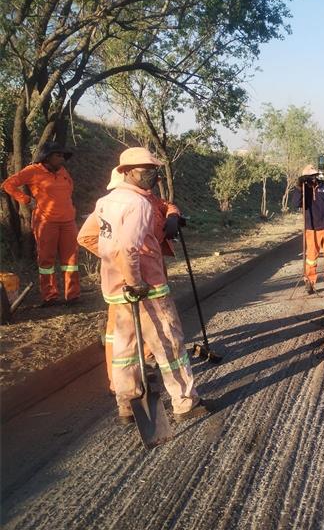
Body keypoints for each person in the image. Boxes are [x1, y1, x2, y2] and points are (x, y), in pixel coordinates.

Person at [89, 147, 206, 424]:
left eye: (154, 170)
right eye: (145, 170)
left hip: (116, 289)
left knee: (125, 349)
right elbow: (128, 246)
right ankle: (185, 402)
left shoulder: (105, 202)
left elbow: (96, 239)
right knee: (169, 343)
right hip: (146, 286)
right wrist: (135, 282)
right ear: (127, 172)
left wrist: (118, 269)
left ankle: (127, 405)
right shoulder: (139, 204)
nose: (151, 175)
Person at [78, 168, 182, 394]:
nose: (152, 181)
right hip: (132, 280)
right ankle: (122, 385)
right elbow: (89, 238)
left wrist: (173, 216)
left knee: (142, 330)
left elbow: (166, 205)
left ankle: (142, 369)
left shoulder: (148, 199)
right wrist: (119, 260)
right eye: (146, 173)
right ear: (127, 176)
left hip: (150, 272)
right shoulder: (124, 203)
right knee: (125, 333)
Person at [2, 142, 80, 306]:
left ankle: (72, 296)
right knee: (46, 261)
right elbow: (8, 184)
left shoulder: (63, 171)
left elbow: (69, 190)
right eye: (58, 155)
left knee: (71, 261)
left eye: (63, 156)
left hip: (68, 222)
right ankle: (50, 296)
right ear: (47, 157)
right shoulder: (33, 171)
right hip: (46, 222)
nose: (62, 159)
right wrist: (26, 200)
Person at [290, 164, 324, 295]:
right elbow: (295, 204)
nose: (313, 178)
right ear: (305, 178)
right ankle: (310, 283)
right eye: (310, 176)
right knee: (311, 258)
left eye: (314, 175)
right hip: (312, 228)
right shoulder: (303, 189)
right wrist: (299, 187)